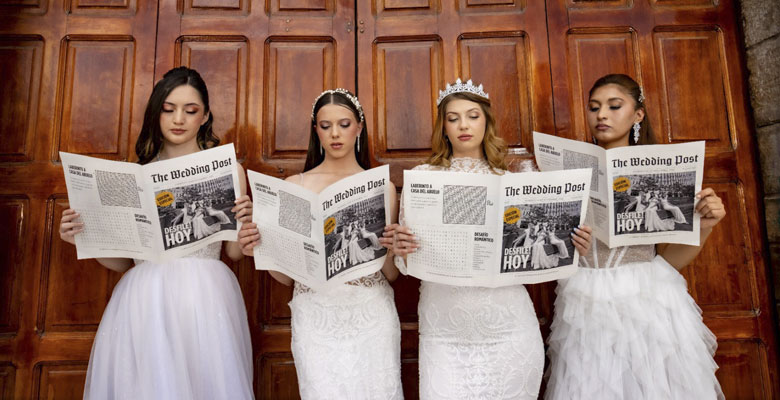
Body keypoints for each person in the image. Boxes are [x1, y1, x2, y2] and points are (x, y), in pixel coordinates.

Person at [382, 79, 593, 399]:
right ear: (444, 127)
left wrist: (574, 242)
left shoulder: (513, 182)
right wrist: (400, 249)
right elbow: (406, 264)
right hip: (444, 332)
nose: (463, 125)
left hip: (509, 328)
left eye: (472, 115)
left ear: (486, 121)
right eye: (453, 118)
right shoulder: (423, 177)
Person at [58, 67, 254, 399]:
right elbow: (124, 262)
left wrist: (246, 226)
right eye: (168, 109)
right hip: (144, 298)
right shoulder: (135, 176)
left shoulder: (229, 170)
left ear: (205, 116)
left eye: (190, 110)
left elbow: (234, 253)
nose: (179, 119)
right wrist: (81, 237)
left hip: (204, 298)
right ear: (156, 112)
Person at [545, 73, 725, 400]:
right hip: (586, 300)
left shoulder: (661, 172)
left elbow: (670, 261)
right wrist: (574, 250)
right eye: (594, 107)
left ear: (637, 115)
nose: (602, 115)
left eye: (614, 106)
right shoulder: (568, 173)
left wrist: (706, 225)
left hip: (649, 299)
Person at [237, 88, 403, 399]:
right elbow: (286, 276)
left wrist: (392, 246)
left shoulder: (383, 187)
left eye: (344, 124)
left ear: (359, 126)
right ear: (316, 130)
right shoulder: (294, 187)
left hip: (371, 314)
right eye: (326, 126)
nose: (335, 134)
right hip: (315, 316)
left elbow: (391, 274)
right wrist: (261, 248)